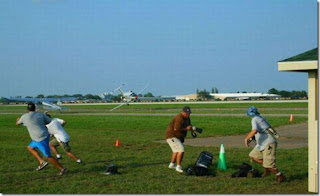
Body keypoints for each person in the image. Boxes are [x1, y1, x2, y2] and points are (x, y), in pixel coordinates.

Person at [16, 102, 68, 175]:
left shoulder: (24, 116)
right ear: (35, 108)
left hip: (40, 138)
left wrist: (18, 119)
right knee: (30, 147)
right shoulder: (41, 115)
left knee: (48, 156)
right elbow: (49, 121)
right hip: (42, 136)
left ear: (27, 109)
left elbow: (17, 123)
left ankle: (63, 169)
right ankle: (41, 161)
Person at [244, 106, 285, 183]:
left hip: (268, 143)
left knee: (269, 164)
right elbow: (263, 130)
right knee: (253, 155)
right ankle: (267, 169)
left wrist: (247, 138)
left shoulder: (255, 119)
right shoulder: (260, 117)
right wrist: (252, 138)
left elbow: (255, 130)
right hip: (262, 143)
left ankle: (280, 175)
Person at [165, 106, 193, 173]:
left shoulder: (187, 118)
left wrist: (192, 128)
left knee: (176, 151)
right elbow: (176, 129)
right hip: (172, 136)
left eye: (189, 113)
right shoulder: (179, 118)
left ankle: (171, 164)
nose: (188, 114)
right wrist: (186, 129)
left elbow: (189, 125)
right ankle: (178, 166)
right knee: (181, 149)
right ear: (182, 112)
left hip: (177, 136)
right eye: (186, 113)